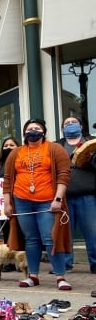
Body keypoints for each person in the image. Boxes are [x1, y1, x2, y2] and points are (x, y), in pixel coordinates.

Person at [4, 118, 72, 290]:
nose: (32, 130)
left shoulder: (54, 149)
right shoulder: (16, 152)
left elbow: (64, 174)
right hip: (21, 201)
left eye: (37, 128)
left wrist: (58, 199)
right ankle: (32, 275)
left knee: (50, 238)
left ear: (43, 132)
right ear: (24, 133)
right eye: (29, 128)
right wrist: (7, 204)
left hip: (47, 202)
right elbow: (7, 179)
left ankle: (60, 276)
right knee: (31, 239)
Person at [56, 116, 95, 273]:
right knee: (65, 233)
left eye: (74, 123)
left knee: (93, 233)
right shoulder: (57, 146)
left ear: (81, 125)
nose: (70, 125)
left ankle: (95, 264)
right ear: (62, 128)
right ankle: (65, 264)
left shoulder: (91, 143)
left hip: (88, 195)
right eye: (67, 124)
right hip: (64, 197)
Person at [0, 136, 20, 245]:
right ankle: (9, 258)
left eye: (12, 145)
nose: (8, 147)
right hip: (2, 203)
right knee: (7, 230)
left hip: (20, 200)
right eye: (5, 146)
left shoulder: (22, 161)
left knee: (22, 229)